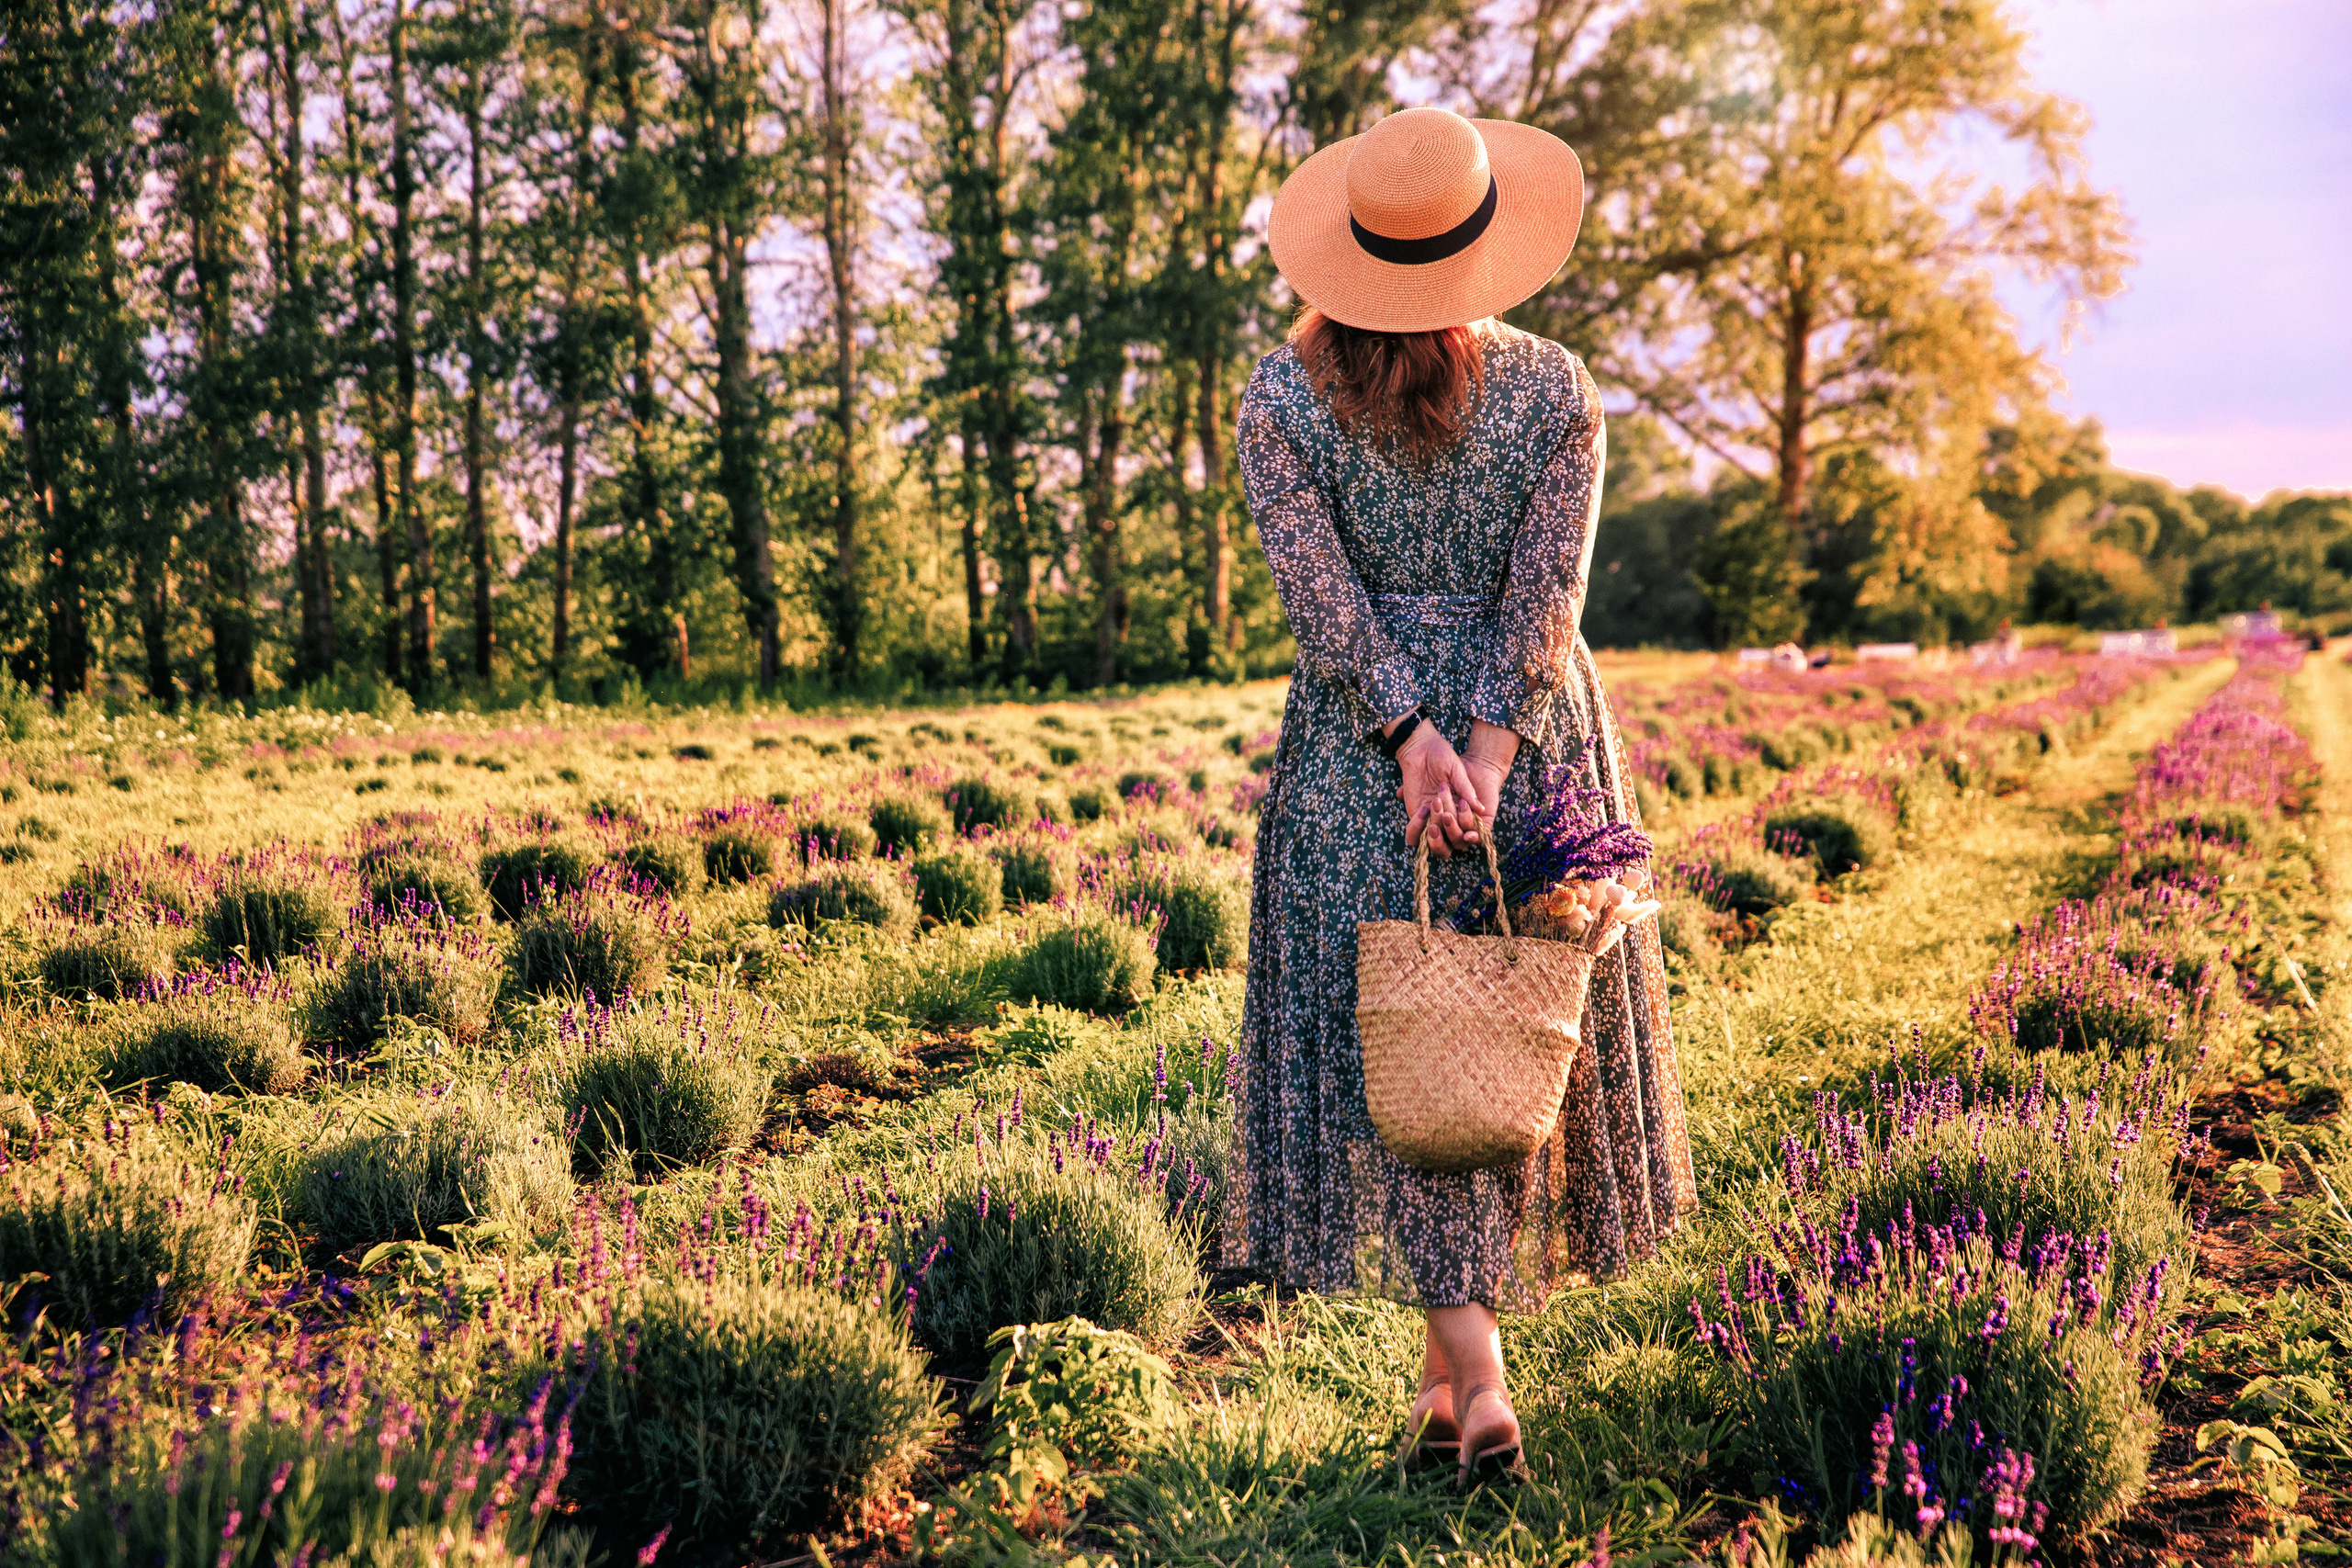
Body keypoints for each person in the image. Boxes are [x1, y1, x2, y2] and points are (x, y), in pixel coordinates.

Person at [1221, 106, 1697, 1485]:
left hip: (1354, 754)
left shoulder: (1278, 398)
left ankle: (1472, 1387)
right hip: (1533, 737)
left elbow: (1321, 597)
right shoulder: (1559, 391)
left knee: (1405, 1043)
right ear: (1486, 245)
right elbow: (1549, 595)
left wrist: (1410, 735)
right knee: (1499, 1031)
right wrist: (1485, 749)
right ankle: (1463, 1386)